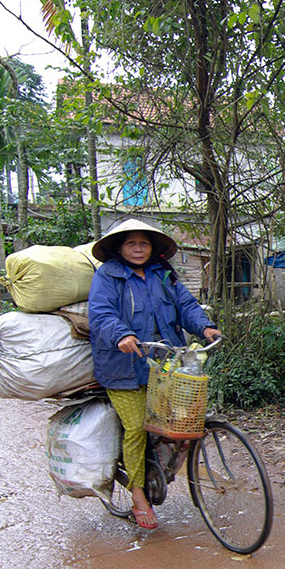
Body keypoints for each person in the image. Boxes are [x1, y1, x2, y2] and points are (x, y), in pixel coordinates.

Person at [88, 218, 219, 529]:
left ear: (152, 248)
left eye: (143, 243)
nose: (138, 249)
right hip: (122, 367)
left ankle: (159, 468)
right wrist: (121, 334)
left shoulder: (163, 274)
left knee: (183, 419)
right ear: (119, 248)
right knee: (136, 428)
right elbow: (101, 312)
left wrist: (204, 327)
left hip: (164, 363)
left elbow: (186, 305)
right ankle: (137, 495)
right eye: (131, 243)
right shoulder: (108, 275)